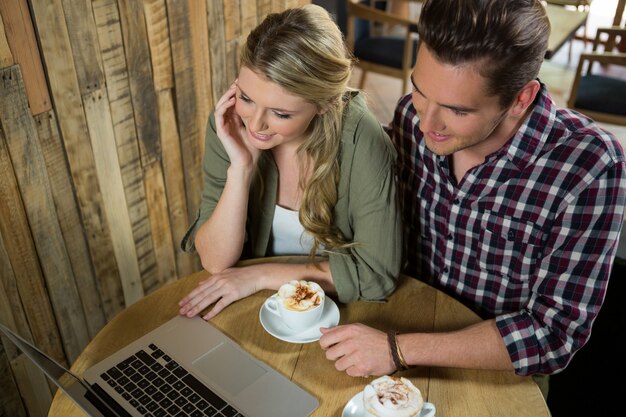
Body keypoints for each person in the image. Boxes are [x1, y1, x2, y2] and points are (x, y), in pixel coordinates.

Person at [319, 0, 626, 390]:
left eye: (457, 110)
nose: (427, 123)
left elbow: (554, 336)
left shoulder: (589, 166)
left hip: (493, 374)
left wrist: (398, 350)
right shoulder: (412, 120)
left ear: (521, 98)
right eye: (419, 90)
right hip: (388, 331)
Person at [178, 4, 402, 320]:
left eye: (280, 113)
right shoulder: (230, 125)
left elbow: (376, 274)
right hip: (255, 308)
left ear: (325, 104)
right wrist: (240, 169)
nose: (255, 125)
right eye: (246, 97)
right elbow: (215, 261)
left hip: (339, 313)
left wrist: (257, 276)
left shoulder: (361, 137)